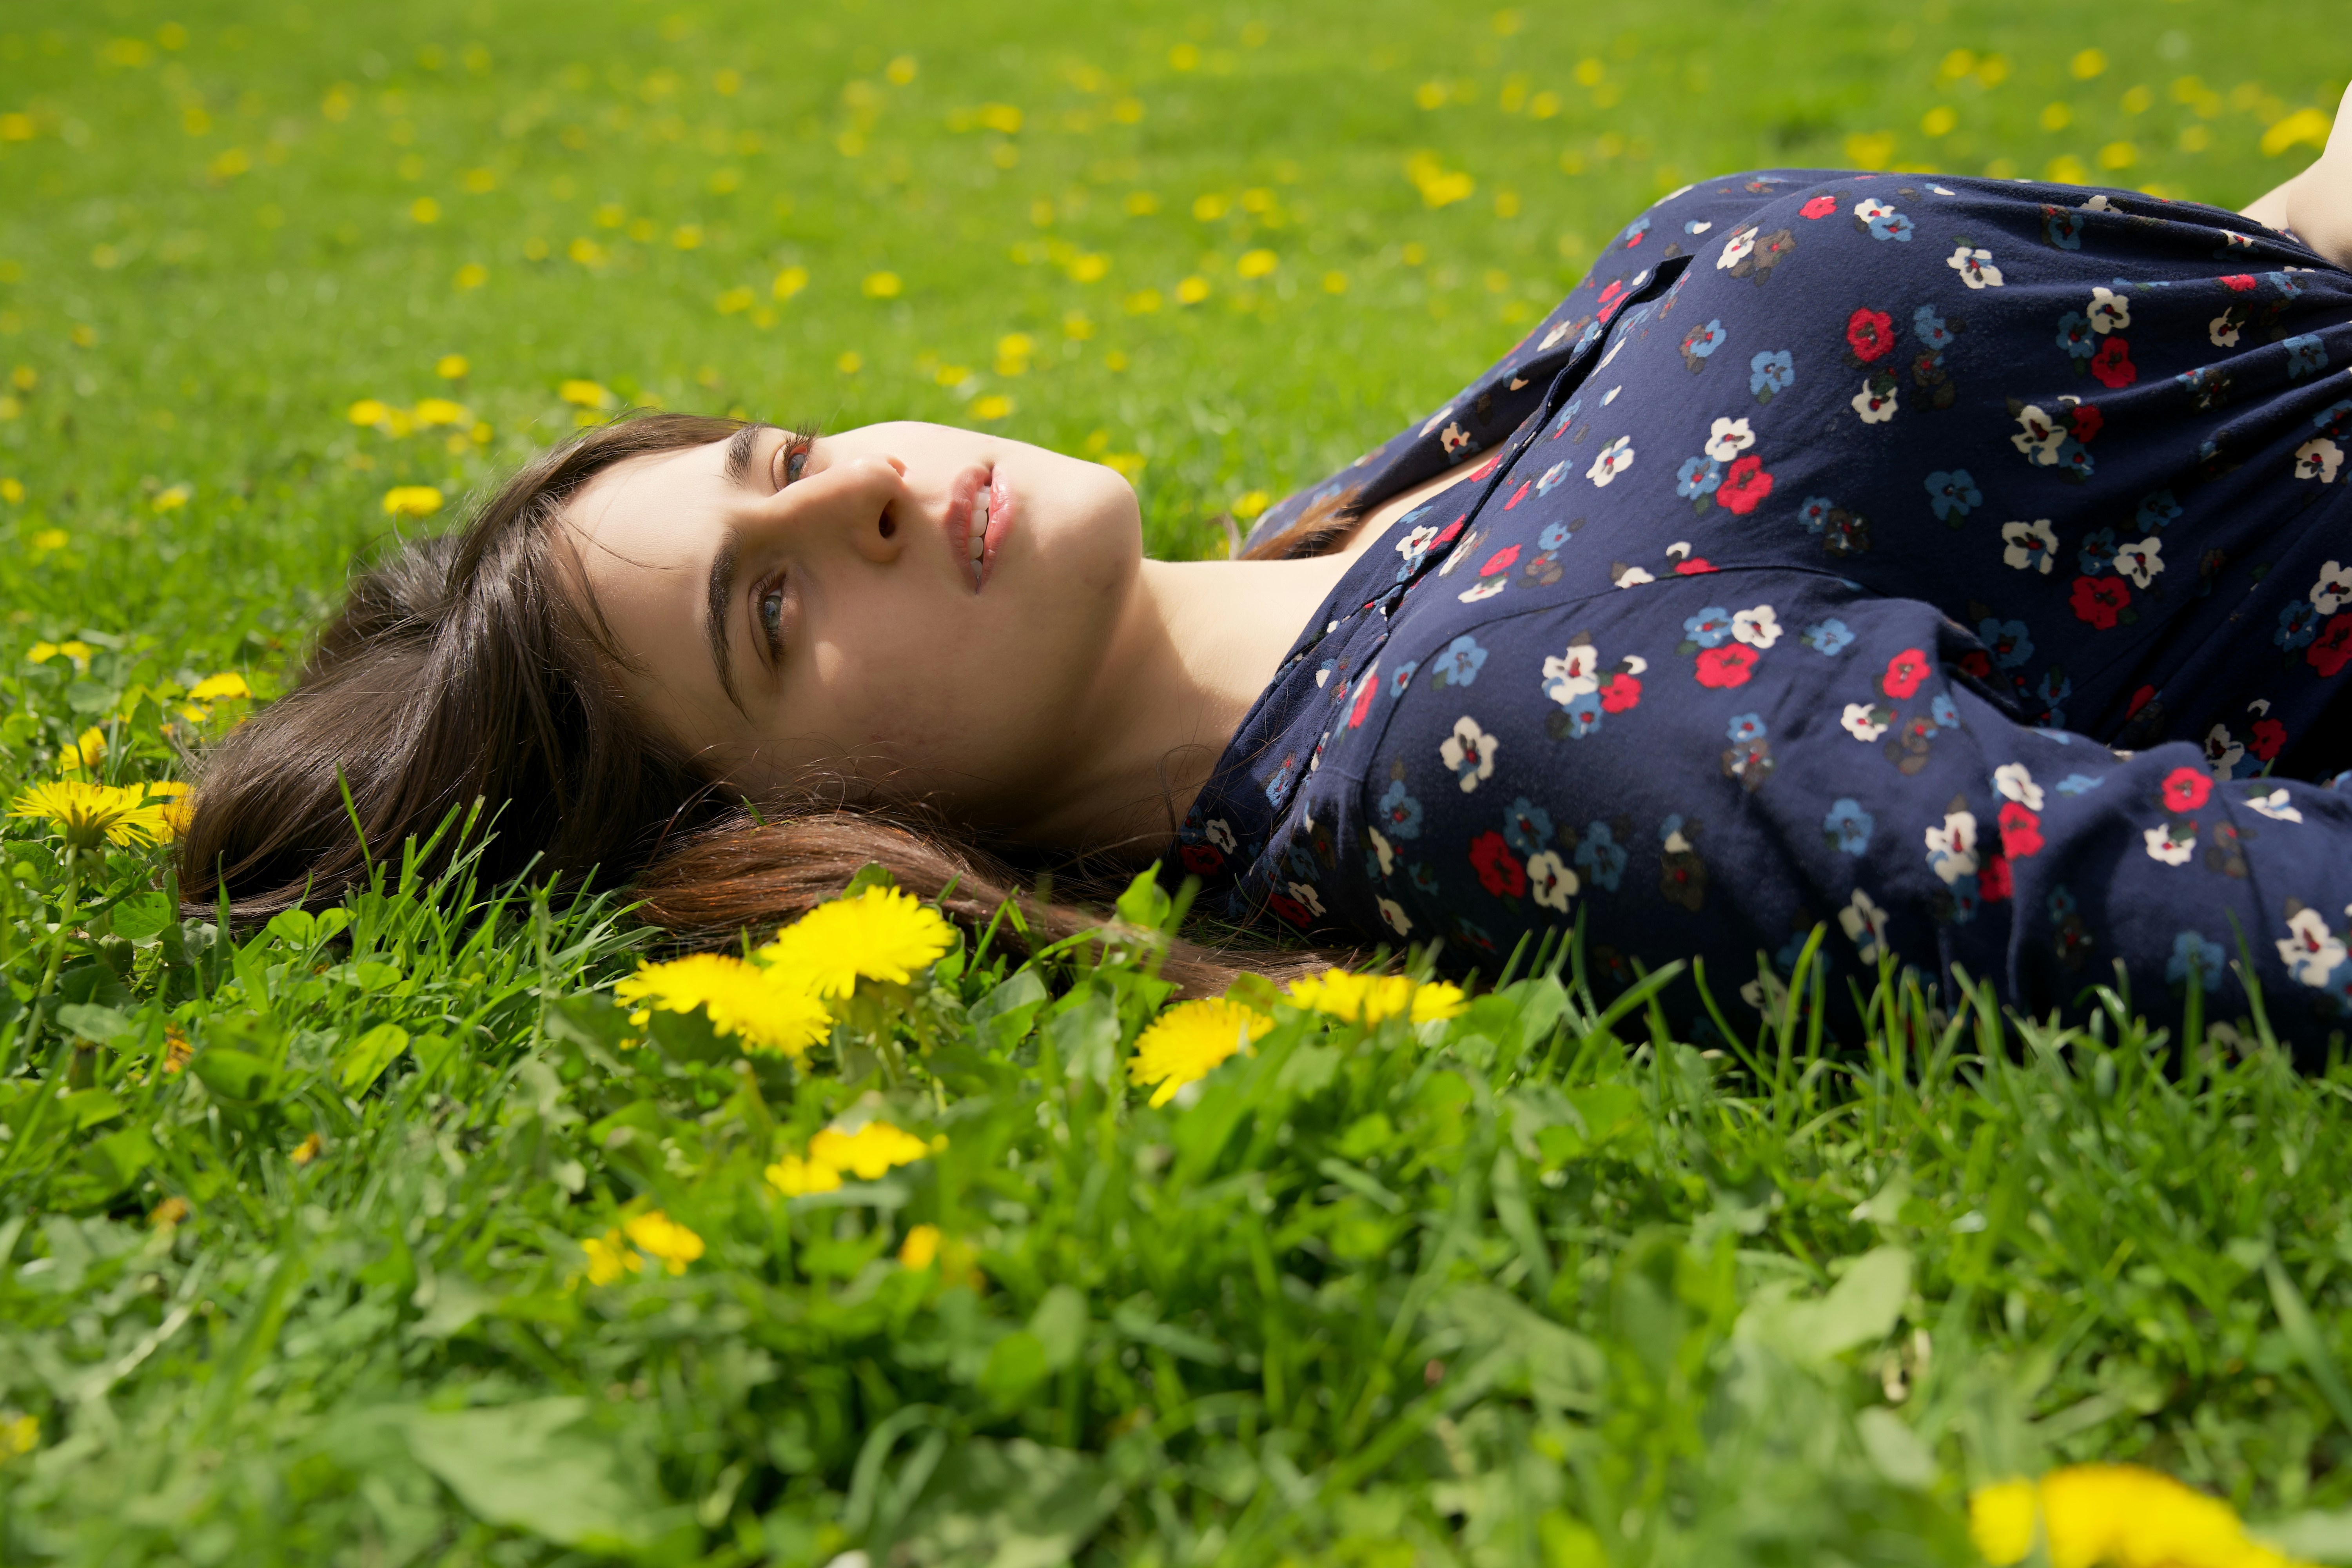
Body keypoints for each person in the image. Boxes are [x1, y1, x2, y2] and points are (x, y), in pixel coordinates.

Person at [183, 92, 2352, 1051]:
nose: (852, 498)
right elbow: (2228, 920)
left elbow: (2135, 422)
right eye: (770, 611)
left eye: (785, 458)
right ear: (799, 842)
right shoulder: (1501, 739)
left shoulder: (1345, 546)